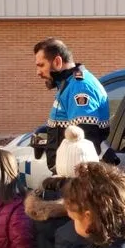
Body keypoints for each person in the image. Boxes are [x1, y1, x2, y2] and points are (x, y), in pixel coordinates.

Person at [33, 38, 109, 173]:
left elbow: (84, 141)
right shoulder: (68, 84)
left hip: (74, 177)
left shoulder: (79, 87)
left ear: (57, 62)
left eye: (41, 65)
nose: (38, 72)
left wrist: (74, 182)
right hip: (67, 175)